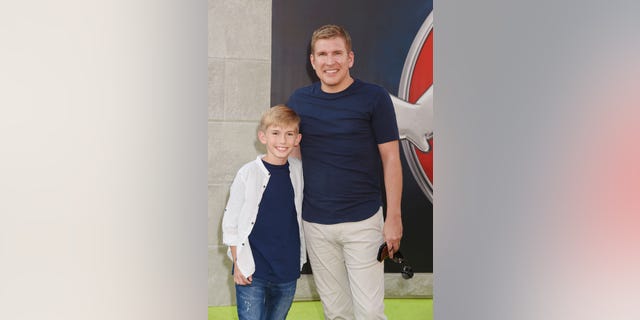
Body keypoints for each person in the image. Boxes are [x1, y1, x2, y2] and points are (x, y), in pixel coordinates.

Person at [287, 24, 403, 320]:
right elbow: (293, 157)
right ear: (312, 61)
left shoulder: (375, 97)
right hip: (316, 224)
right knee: (336, 313)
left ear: (350, 58)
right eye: (322, 54)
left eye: (337, 53)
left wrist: (393, 218)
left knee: (370, 312)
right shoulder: (299, 101)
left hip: (364, 222)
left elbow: (391, 158)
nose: (330, 61)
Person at [221, 105, 306, 320]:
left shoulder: (298, 171)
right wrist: (238, 263)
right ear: (263, 136)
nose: (283, 140)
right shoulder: (247, 173)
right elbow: (230, 222)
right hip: (252, 269)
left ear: (297, 139)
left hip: (286, 270)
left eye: (289, 134)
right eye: (275, 133)